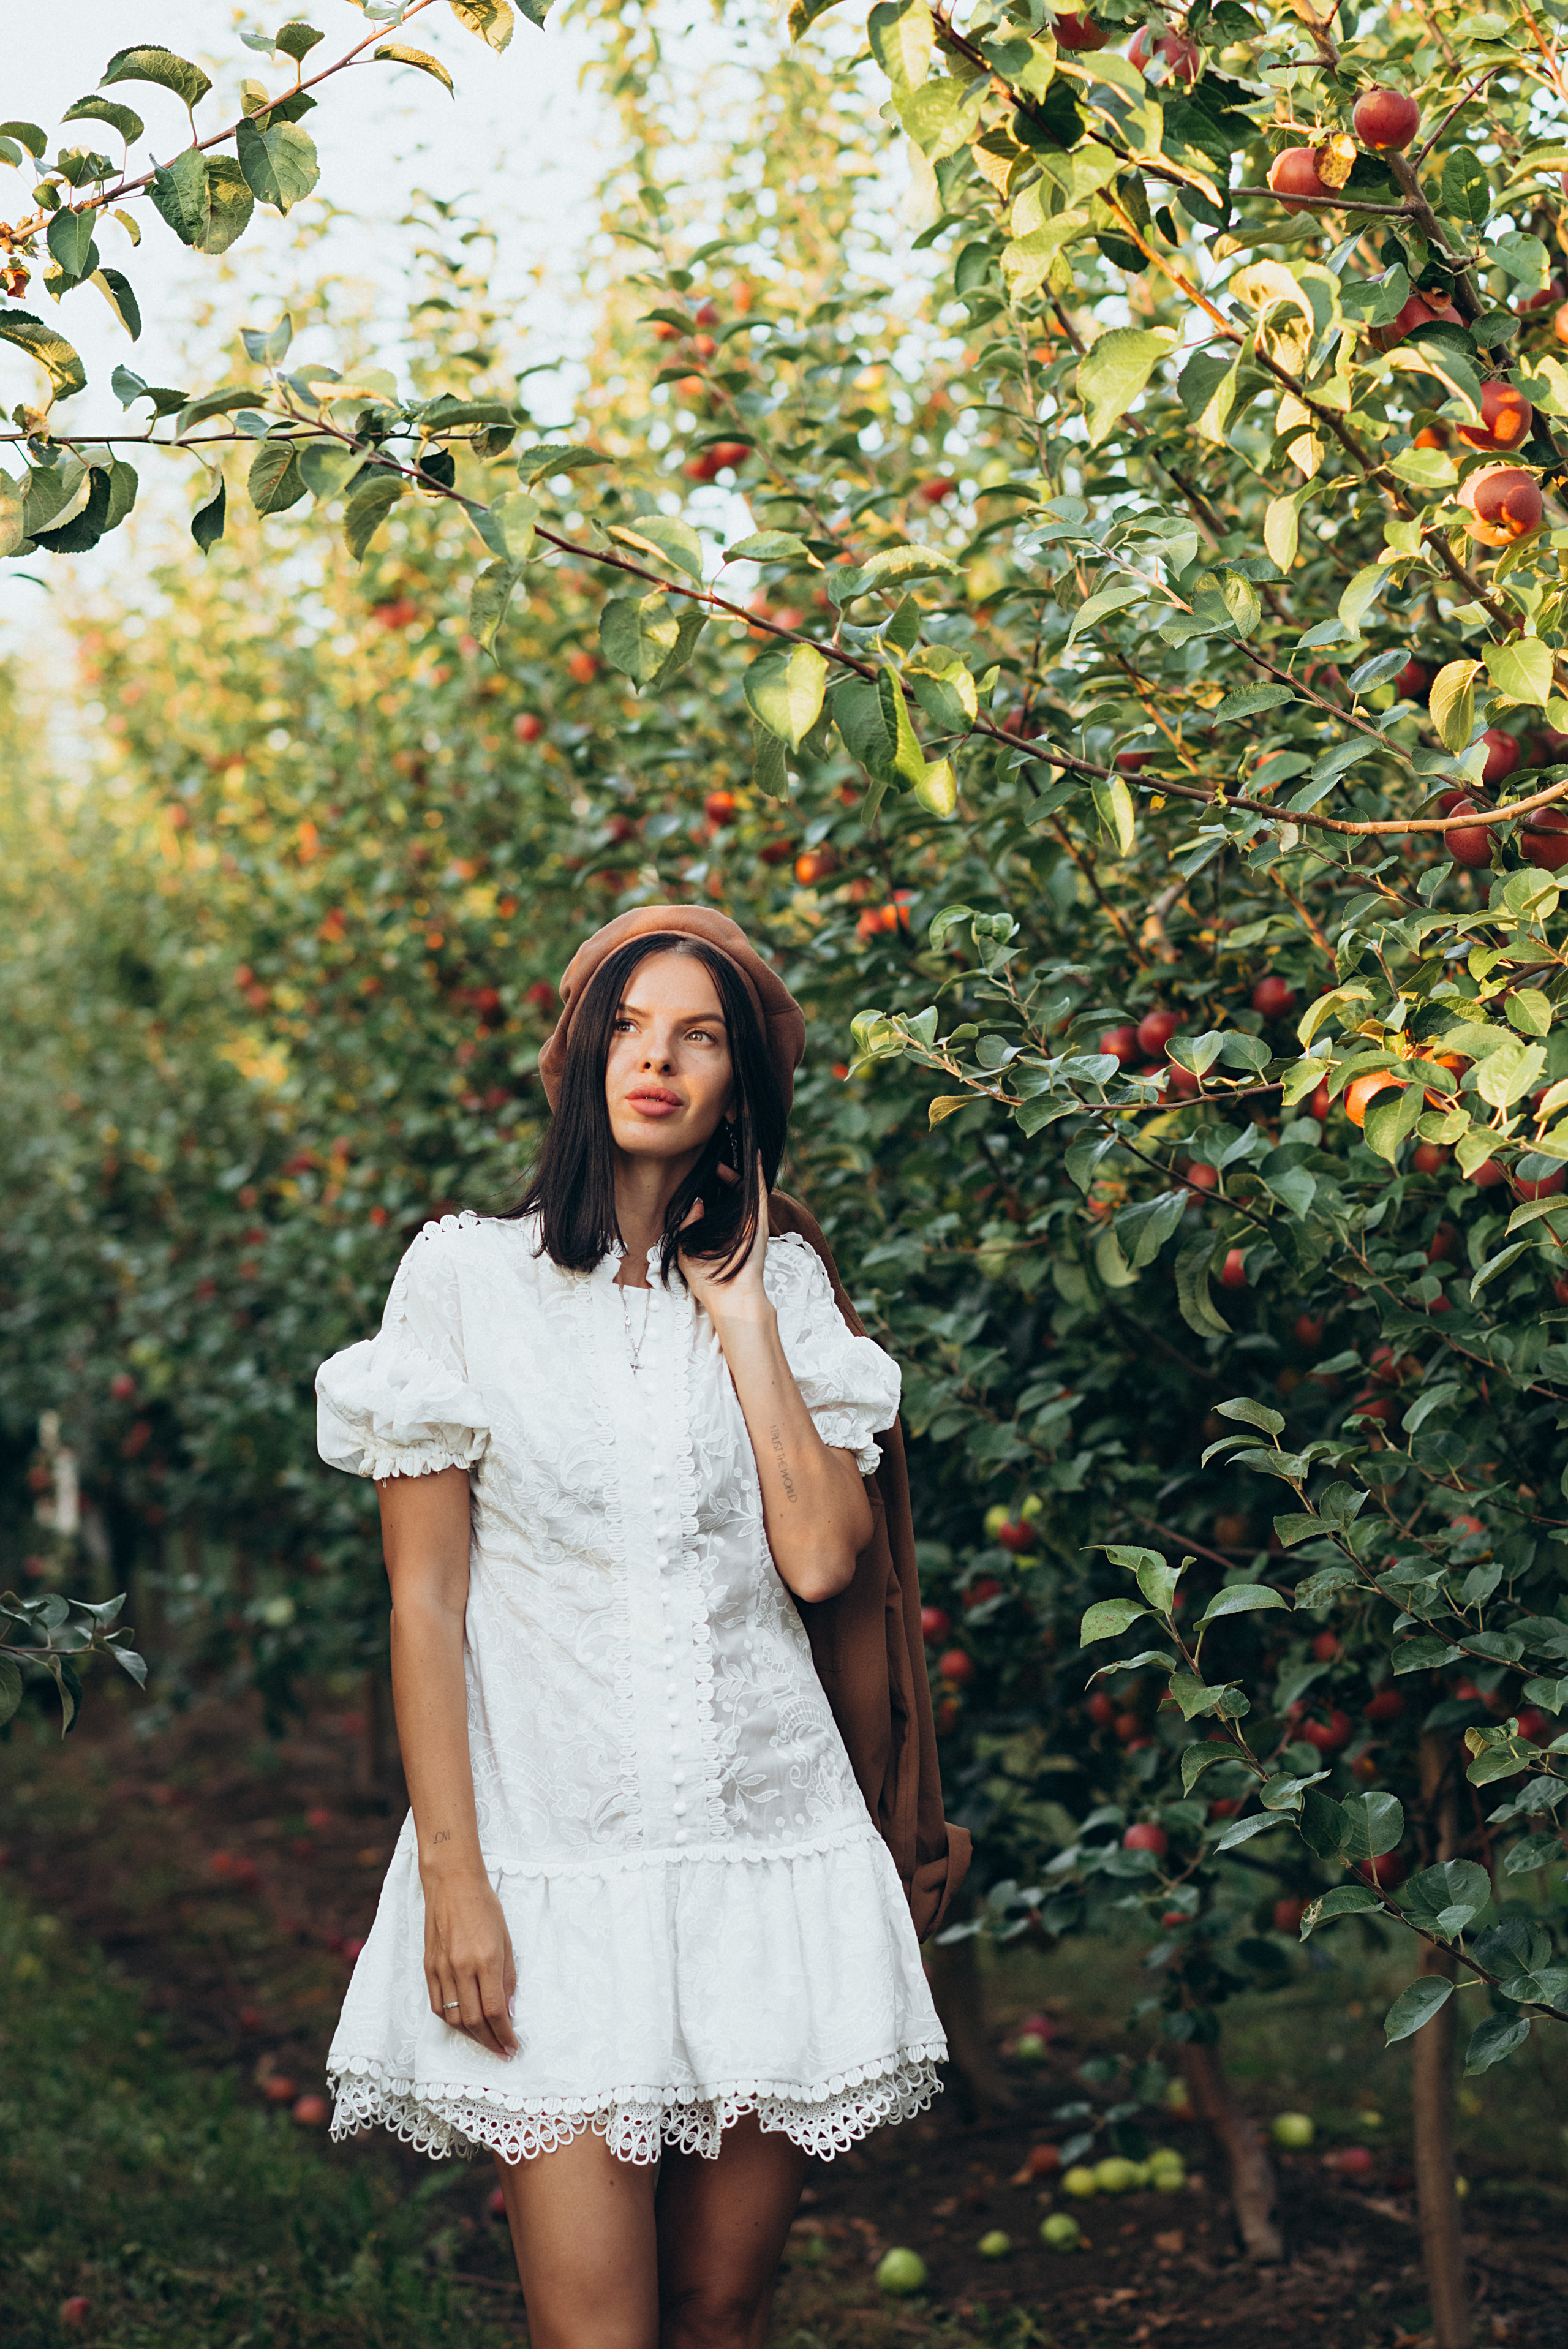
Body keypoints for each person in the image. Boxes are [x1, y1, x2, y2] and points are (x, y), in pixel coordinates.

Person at [314, 906, 959, 2349]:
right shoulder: (463, 1281)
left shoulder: (778, 1284)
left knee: (717, 2315)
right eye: (626, 1025)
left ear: (740, 1088)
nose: (653, 1058)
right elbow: (425, 1603)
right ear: (578, 1054)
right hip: (553, 1866)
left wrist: (735, 1319)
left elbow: (819, 1558)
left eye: (696, 1035)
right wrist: (456, 1883)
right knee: (596, 2334)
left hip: (766, 1853)